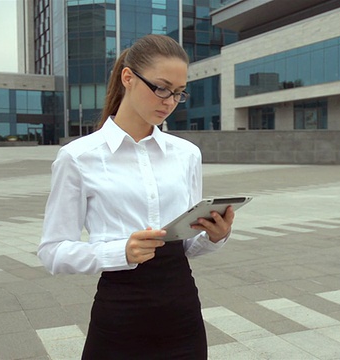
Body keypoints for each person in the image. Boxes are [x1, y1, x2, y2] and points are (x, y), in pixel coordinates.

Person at [37, 34, 235, 359]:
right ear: (128, 77)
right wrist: (121, 252)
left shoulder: (186, 155)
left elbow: (186, 246)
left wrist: (215, 236)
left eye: (178, 93)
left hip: (182, 312)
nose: (169, 101)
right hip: (120, 315)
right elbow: (52, 252)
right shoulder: (78, 157)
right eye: (161, 88)